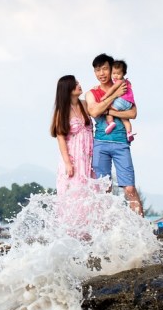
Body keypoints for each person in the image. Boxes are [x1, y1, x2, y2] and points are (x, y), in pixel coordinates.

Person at [86, 53, 144, 216]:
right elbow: (94, 111)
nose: (101, 73)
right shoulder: (91, 93)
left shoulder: (124, 87)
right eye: (97, 70)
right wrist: (114, 96)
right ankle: (107, 230)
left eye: (104, 69)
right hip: (101, 144)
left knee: (130, 188)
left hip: (121, 143)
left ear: (112, 69)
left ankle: (143, 230)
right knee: (105, 189)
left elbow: (133, 113)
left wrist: (109, 110)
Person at [49, 75, 93, 193]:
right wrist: (68, 163)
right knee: (74, 191)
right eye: (75, 84)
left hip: (88, 156)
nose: (79, 85)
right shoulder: (62, 111)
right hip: (73, 157)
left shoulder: (85, 104)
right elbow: (61, 138)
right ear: (68, 89)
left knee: (91, 191)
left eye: (78, 82)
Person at [104, 59, 135, 143]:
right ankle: (129, 133)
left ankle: (111, 123)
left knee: (108, 109)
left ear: (123, 73)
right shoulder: (127, 81)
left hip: (122, 101)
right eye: (114, 73)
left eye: (118, 74)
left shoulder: (119, 82)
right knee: (125, 119)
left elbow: (112, 89)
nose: (115, 76)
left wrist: (105, 96)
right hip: (129, 103)